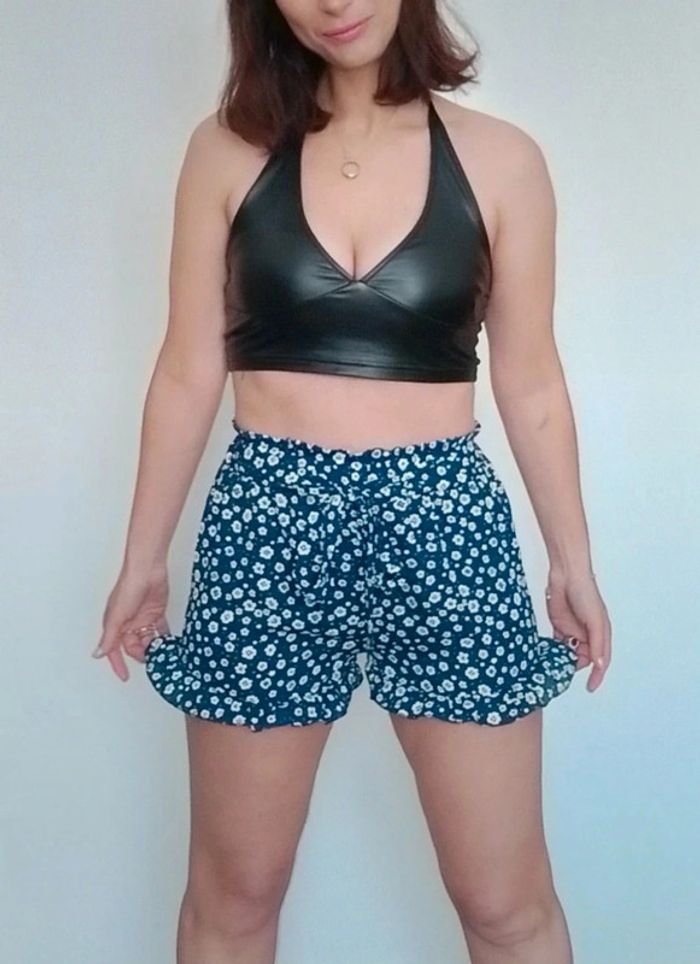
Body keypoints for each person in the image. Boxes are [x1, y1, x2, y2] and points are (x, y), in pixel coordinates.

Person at [93, 2, 612, 962]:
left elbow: (532, 380)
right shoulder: (225, 152)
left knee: (505, 902)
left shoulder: (502, 160)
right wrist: (143, 558)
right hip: (267, 526)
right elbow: (186, 370)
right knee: (235, 895)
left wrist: (572, 562)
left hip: (446, 530)